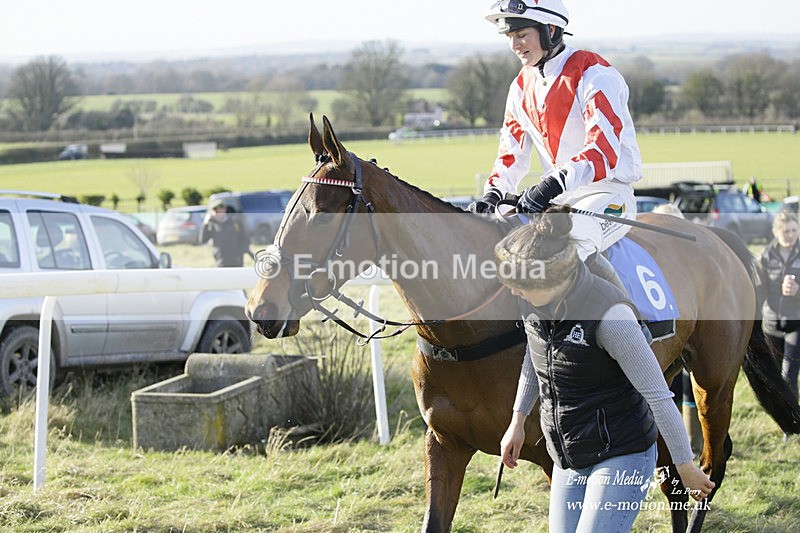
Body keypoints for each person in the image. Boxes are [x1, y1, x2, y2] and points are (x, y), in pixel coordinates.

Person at [496, 206, 714, 532]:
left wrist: (684, 465)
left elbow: (657, 395)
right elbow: (535, 354)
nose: (514, 291)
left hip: (622, 454)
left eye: (519, 285)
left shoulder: (611, 318)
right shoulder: (533, 305)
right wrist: (517, 419)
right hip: (569, 457)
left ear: (549, 278)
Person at [471, 0, 643, 290]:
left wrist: (550, 184)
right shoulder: (519, 87)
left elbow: (602, 152)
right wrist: (494, 193)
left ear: (550, 30)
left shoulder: (595, 73)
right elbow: (510, 153)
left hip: (609, 195)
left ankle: (627, 325)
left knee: (569, 251)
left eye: (521, 34)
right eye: (510, 37)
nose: (515, 45)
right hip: (558, 201)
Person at [760, 211, 800, 435]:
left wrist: (798, 291)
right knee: (774, 378)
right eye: (786, 231)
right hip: (772, 324)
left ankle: (793, 425)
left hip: (796, 324)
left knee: (789, 375)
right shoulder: (766, 256)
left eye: (794, 230)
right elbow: (757, 290)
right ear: (776, 232)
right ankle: (782, 419)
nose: (791, 235)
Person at [199, 199, 253, 267]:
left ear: (224, 210)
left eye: (218, 211)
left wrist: (238, 255)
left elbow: (245, 240)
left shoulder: (235, 222)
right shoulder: (211, 225)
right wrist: (205, 224)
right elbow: (203, 240)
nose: (216, 213)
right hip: (220, 262)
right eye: (214, 211)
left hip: (236, 262)